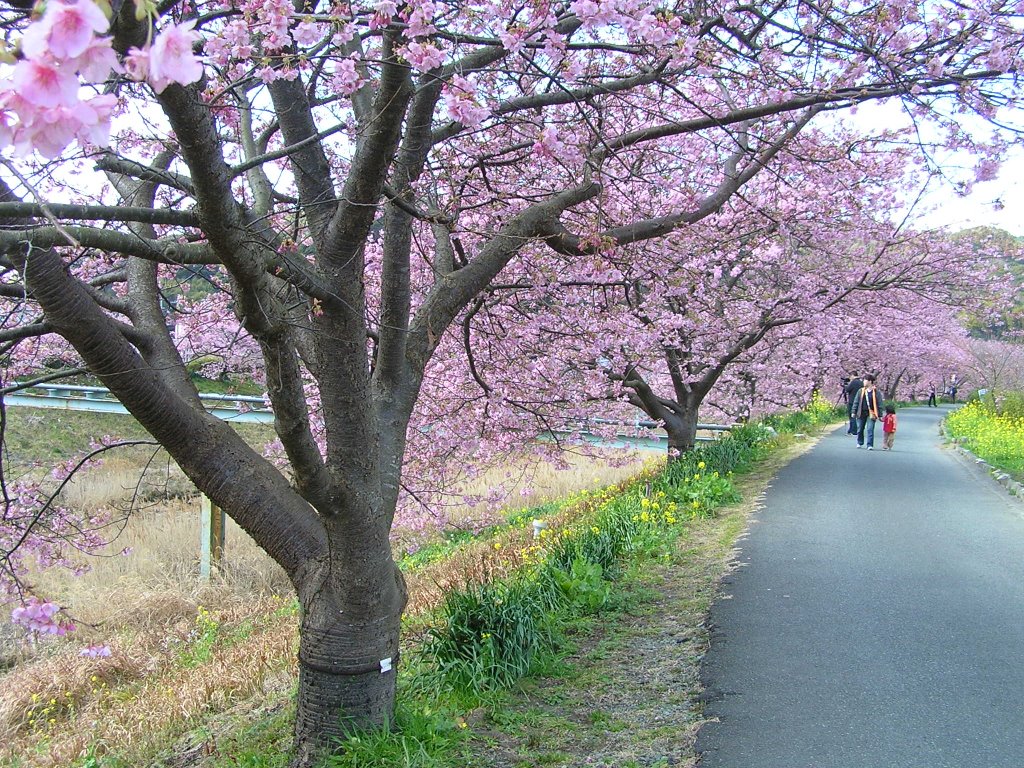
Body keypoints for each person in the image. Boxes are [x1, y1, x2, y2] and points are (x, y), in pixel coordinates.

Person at [852, 374, 884, 450]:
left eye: (865, 380)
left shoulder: (876, 392)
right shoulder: (861, 391)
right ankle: (859, 442)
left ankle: (869, 445)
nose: (863, 381)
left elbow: (879, 403)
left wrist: (880, 415)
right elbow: (856, 402)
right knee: (860, 428)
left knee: (870, 429)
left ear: (870, 381)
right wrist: (853, 411)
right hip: (861, 412)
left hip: (871, 413)